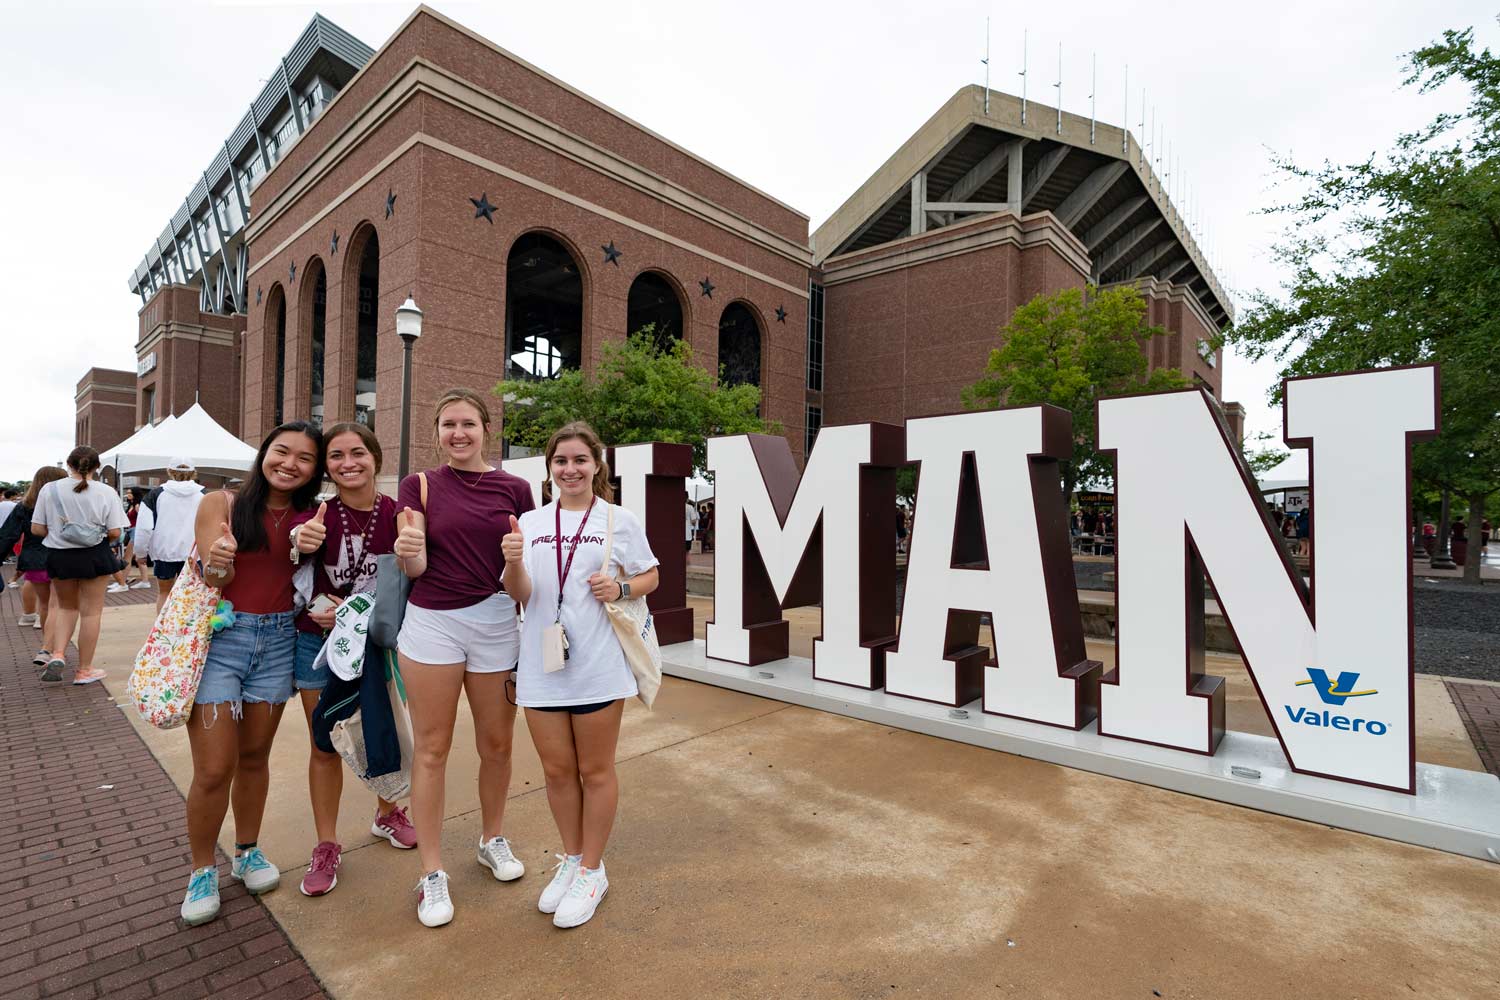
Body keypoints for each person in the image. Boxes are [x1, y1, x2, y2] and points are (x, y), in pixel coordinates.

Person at [504, 421, 660, 929]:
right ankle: (572, 859)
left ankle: (594, 869)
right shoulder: (528, 521)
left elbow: (651, 574)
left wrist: (622, 589)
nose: (570, 469)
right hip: (542, 664)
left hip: (597, 665)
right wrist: (510, 564)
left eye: (579, 460)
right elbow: (520, 595)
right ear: (548, 469)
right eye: (560, 461)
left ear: (597, 466)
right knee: (555, 772)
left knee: (595, 772)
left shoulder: (618, 519)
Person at [394, 389, 536, 928]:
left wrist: (518, 564)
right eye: (448, 424)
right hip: (433, 624)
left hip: (498, 621)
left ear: (486, 428)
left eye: (468, 424)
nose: (459, 433)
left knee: (496, 744)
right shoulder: (420, 485)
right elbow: (415, 567)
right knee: (432, 748)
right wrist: (410, 554)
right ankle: (432, 873)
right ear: (436, 431)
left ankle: (491, 839)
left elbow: (525, 581)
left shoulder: (516, 489)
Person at [179, 422, 323, 927]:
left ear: (314, 469)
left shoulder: (312, 515)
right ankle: (201, 870)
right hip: (223, 639)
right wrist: (218, 559)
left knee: (255, 756)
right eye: (281, 451)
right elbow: (214, 577)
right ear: (265, 453)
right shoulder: (221, 503)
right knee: (215, 768)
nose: (290, 463)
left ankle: (247, 850)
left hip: (280, 641)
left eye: (304, 458)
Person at [290, 421, 414, 898]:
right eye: (337, 456)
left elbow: (409, 579)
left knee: (382, 729)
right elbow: (295, 578)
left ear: (375, 457)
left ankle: (387, 813)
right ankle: (326, 844)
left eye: (357, 452)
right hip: (317, 645)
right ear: (327, 466)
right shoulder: (315, 514)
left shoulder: (399, 513)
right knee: (325, 742)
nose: (348, 463)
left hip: (378, 642)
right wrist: (301, 555)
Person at [30, 447, 130, 685]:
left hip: (59, 556)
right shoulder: (106, 492)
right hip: (95, 555)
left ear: (68, 464)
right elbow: (116, 532)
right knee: (91, 612)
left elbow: (37, 528)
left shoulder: (49, 489)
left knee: (65, 608)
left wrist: (61, 533)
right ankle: (84, 670)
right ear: (96, 467)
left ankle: (57, 654)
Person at [0, 468, 67, 646]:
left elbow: (8, 535)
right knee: (60, 606)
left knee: (45, 605)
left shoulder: (24, 506)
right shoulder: (68, 503)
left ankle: (47, 647)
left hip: (35, 558)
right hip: (64, 558)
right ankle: (56, 649)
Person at [134, 459, 207, 612]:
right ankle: (186, 631)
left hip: (164, 552)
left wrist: (140, 553)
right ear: (193, 473)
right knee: (191, 595)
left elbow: (144, 528)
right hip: (194, 554)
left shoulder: (155, 494)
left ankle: (162, 630)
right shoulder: (203, 495)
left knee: (164, 593)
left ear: (170, 471)